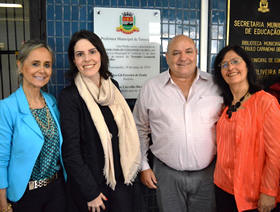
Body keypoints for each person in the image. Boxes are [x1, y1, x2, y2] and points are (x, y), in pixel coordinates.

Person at [133, 34, 223, 212]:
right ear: (166, 57)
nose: (183, 58)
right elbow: (139, 128)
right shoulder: (151, 87)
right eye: (176, 53)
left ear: (196, 53)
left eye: (188, 51)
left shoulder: (216, 85)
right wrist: (143, 166)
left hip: (209, 174)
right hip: (166, 174)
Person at [58, 30, 141, 212]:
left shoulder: (113, 88)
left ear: (101, 55)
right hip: (94, 190)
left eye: (92, 51)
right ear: (74, 61)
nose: (87, 59)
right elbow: (71, 152)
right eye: (80, 54)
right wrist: (90, 192)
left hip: (121, 181)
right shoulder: (69, 97)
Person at [0, 40, 66, 212]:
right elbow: (1, 160)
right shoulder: (7, 108)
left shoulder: (51, 102)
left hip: (56, 191)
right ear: (20, 66)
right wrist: (2, 204)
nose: (42, 70)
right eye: (35, 64)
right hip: (25, 196)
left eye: (47, 65)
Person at [213, 45, 280, 212]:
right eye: (224, 64)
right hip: (223, 188)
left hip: (253, 194)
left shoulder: (265, 102)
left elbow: (276, 153)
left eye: (235, 61)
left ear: (247, 66)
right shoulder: (225, 104)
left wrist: (269, 191)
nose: (230, 68)